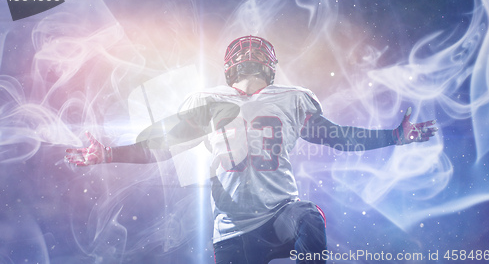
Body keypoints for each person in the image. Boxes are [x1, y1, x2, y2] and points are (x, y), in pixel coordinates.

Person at [65, 35, 438, 264]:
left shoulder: (293, 99)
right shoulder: (207, 101)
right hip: (231, 231)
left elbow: (336, 136)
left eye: (256, 49)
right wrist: (110, 154)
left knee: (309, 216)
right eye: (245, 49)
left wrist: (393, 137)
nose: (250, 50)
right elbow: (163, 147)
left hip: (280, 216)